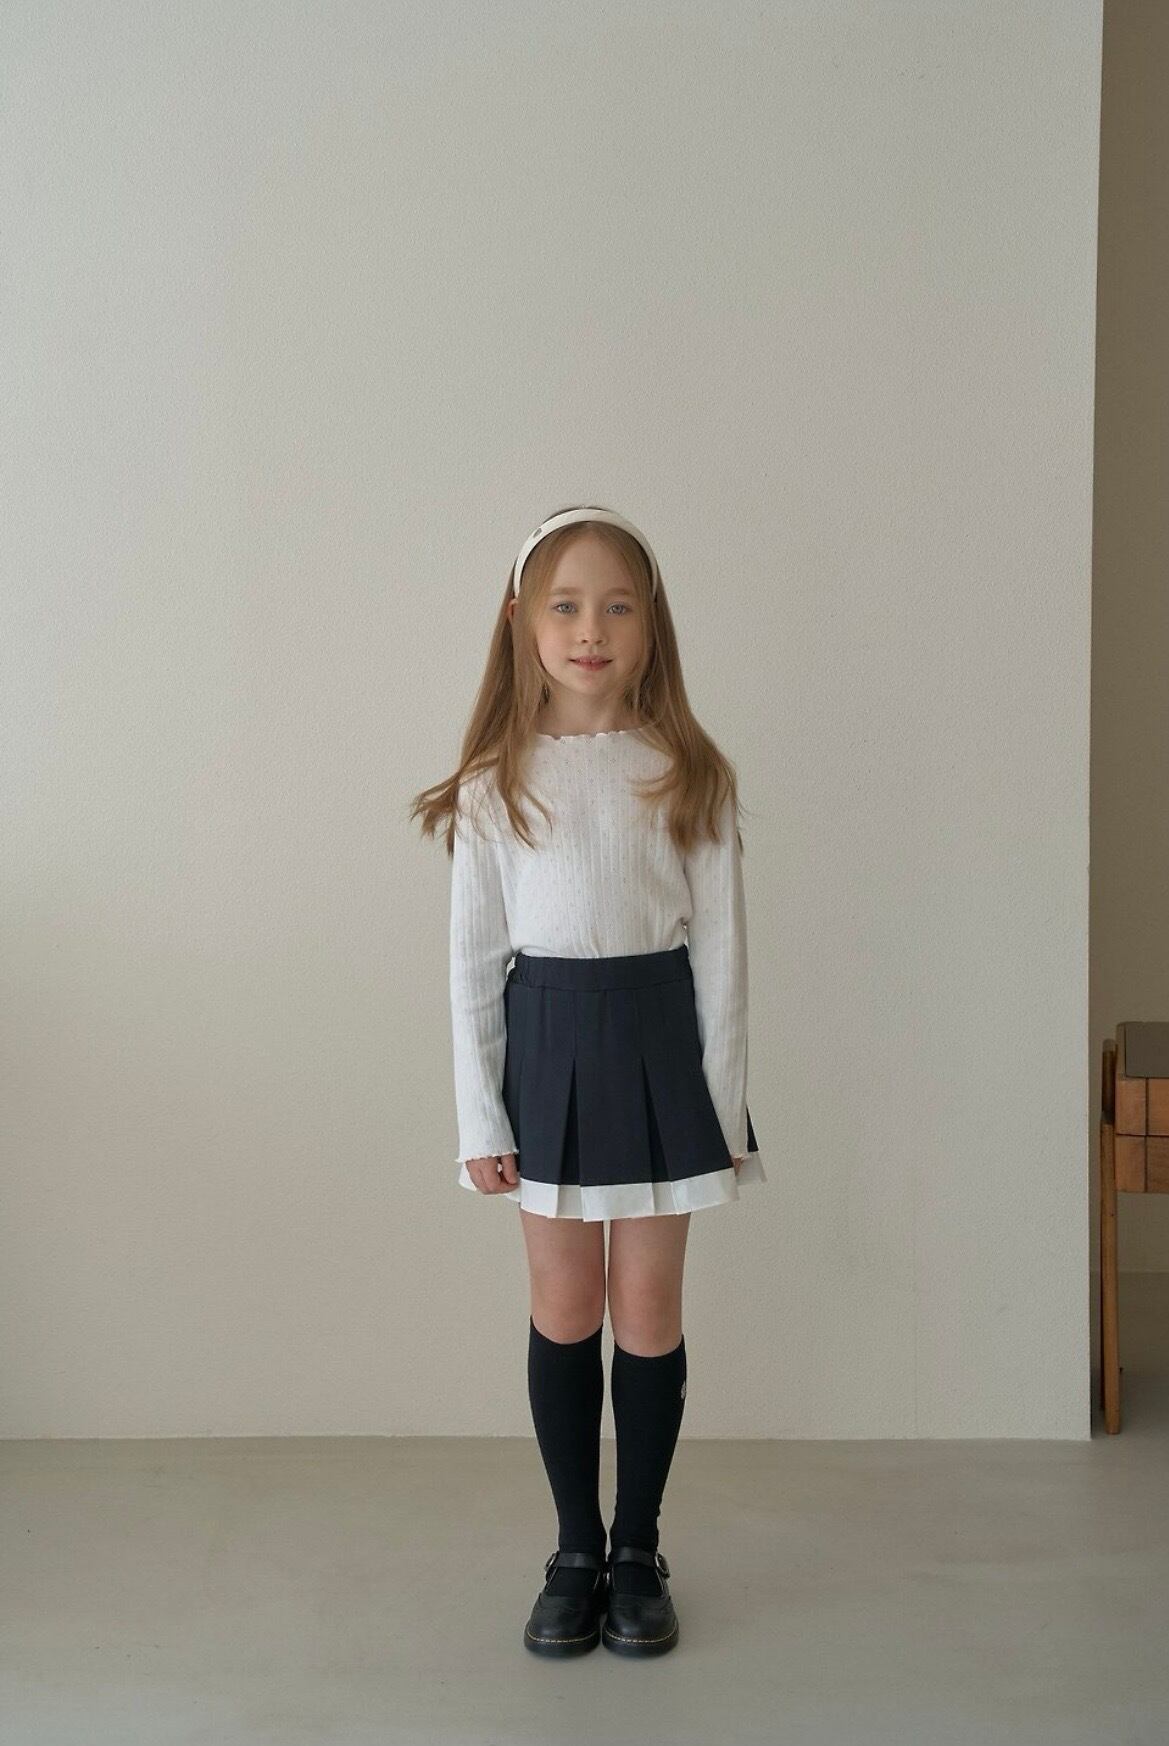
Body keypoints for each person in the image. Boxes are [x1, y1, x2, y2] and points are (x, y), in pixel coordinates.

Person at [411, 504, 766, 1659]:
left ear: (650, 622)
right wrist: (479, 1116)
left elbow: (722, 960)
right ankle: (574, 1548)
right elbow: (471, 965)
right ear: (520, 621)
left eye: (616, 606)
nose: (590, 630)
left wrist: (721, 1109)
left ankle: (638, 1551)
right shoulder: (492, 784)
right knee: (563, 1305)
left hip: (661, 1058)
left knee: (648, 1309)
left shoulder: (686, 772)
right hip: (548, 1053)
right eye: (564, 606)